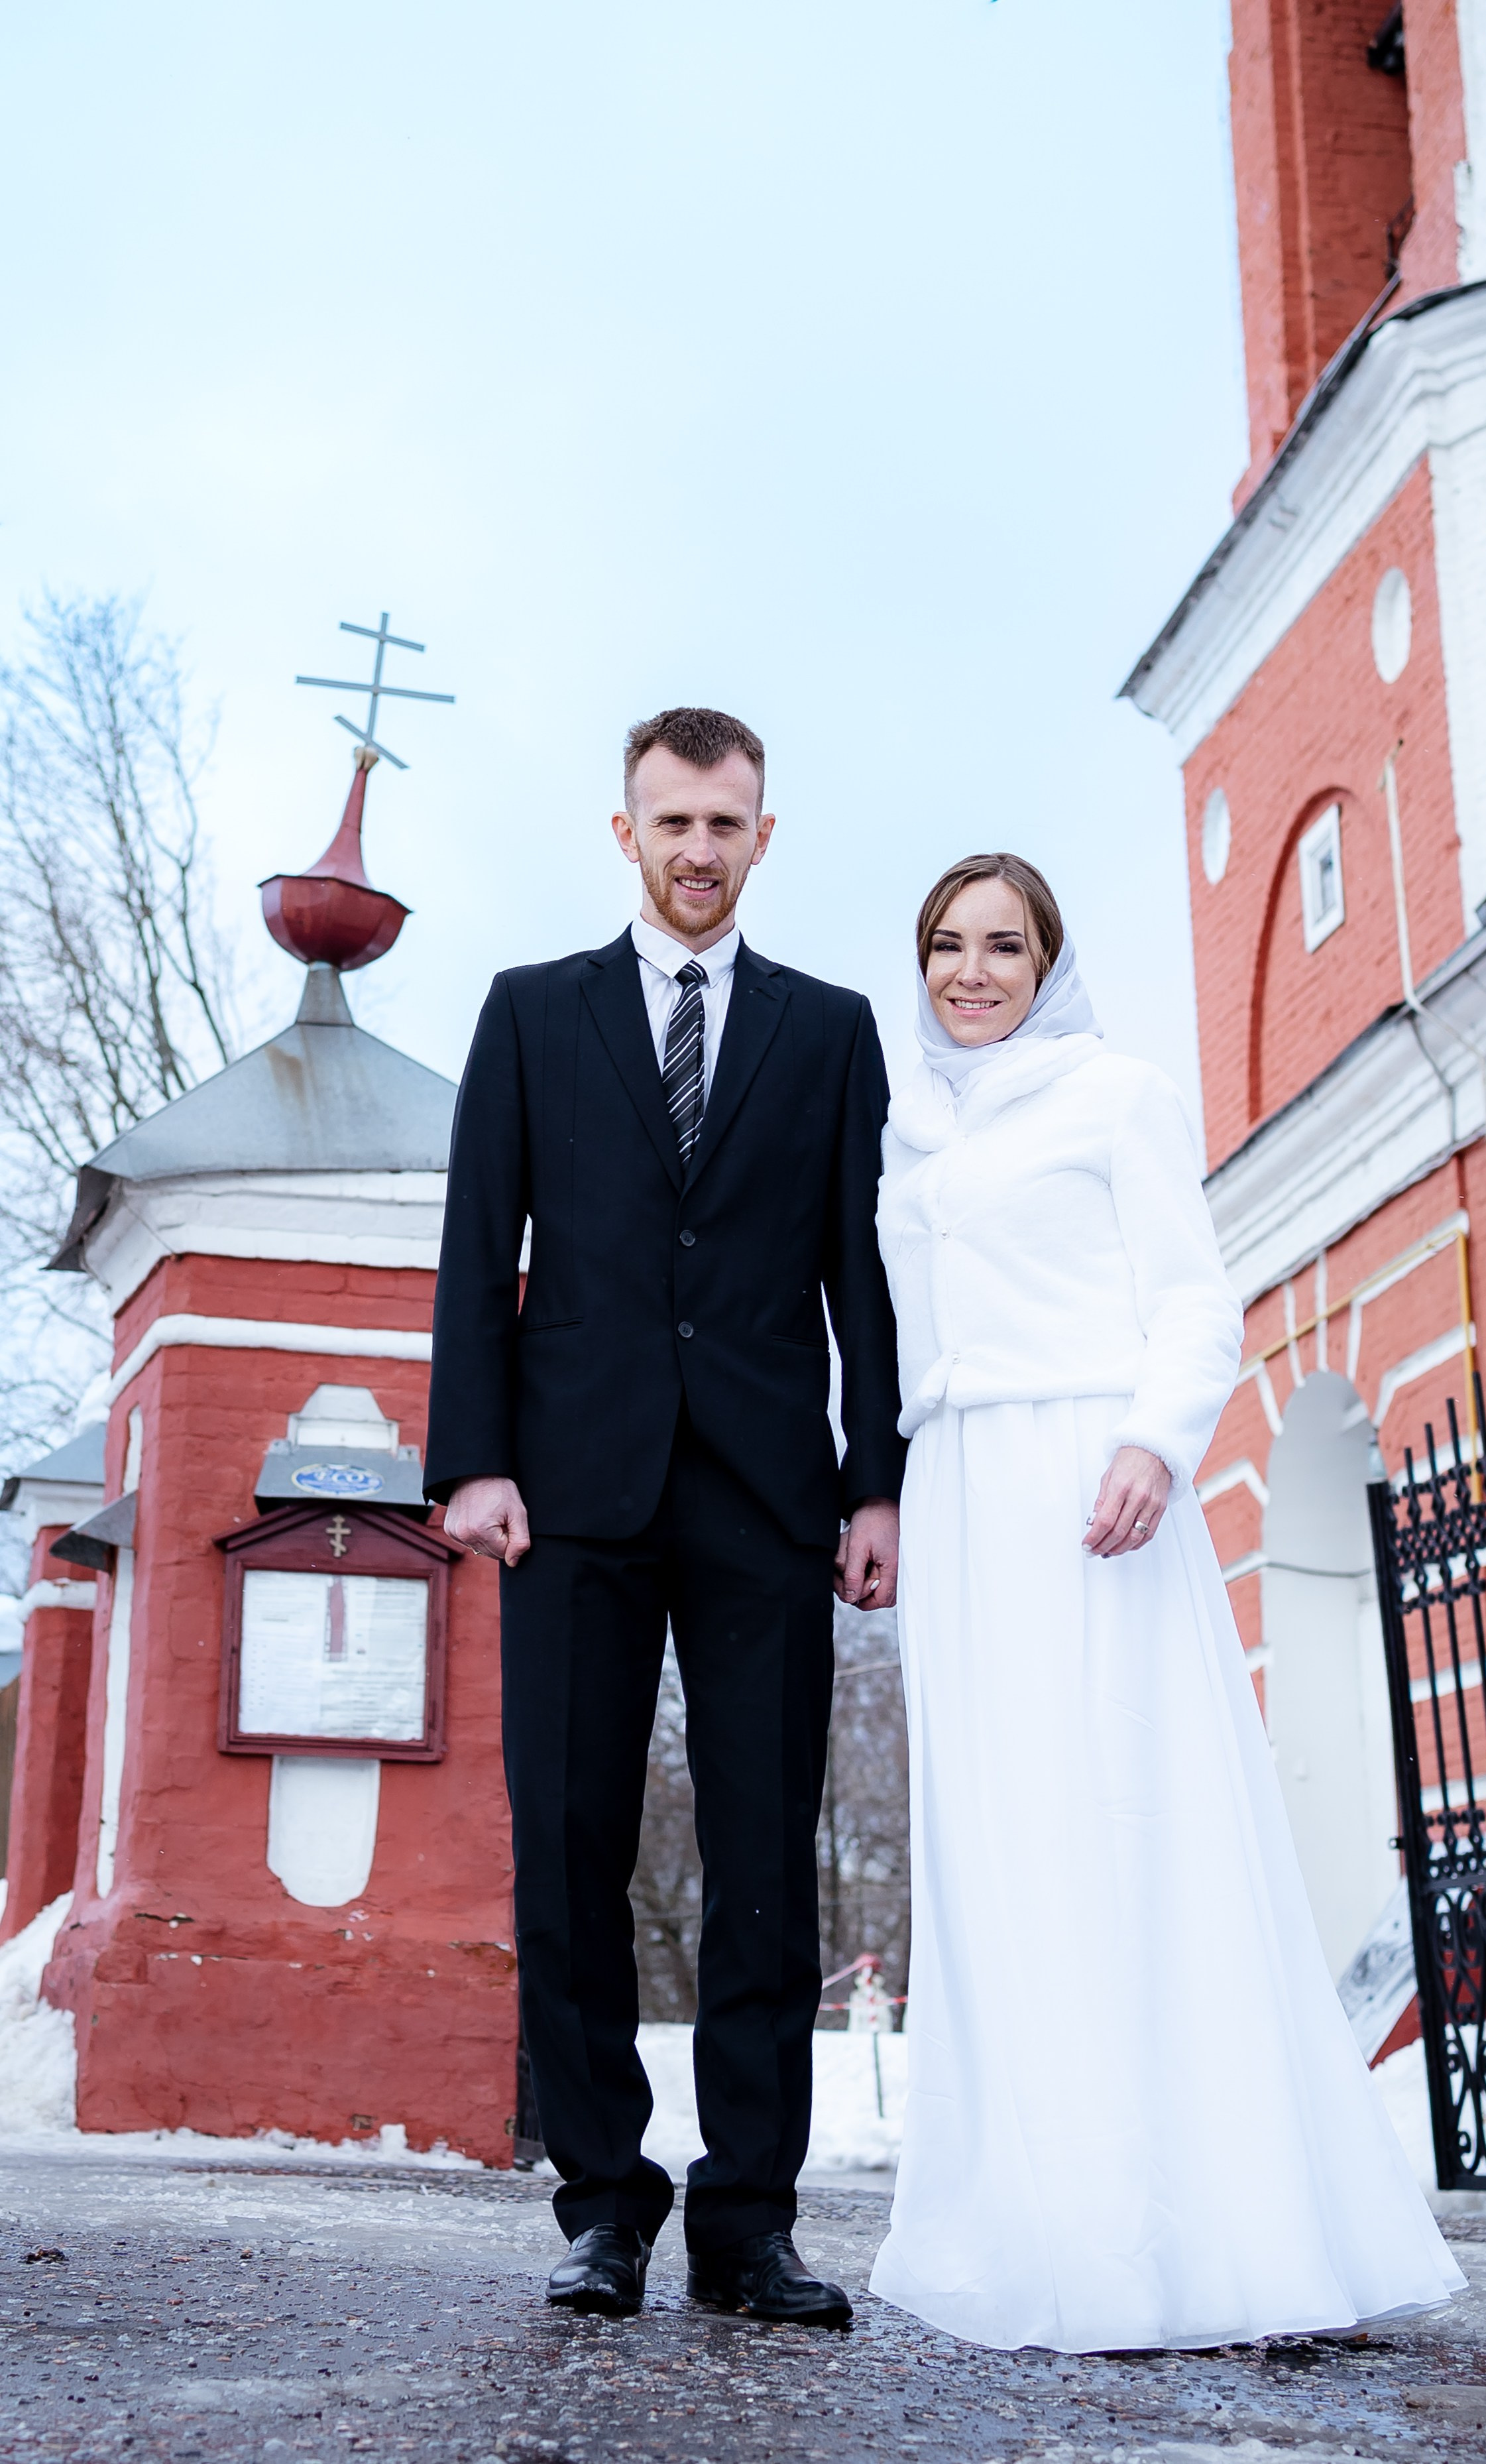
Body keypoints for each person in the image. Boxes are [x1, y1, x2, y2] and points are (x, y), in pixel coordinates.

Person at [868, 851, 1465, 2354]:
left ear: (1051, 958)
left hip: (1092, 1480)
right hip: (958, 1491)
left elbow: (1198, 1296)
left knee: (1126, 1821)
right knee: (999, 1846)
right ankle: (1029, 2212)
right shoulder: (906, 1128)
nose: (974, 971)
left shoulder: (1114, 1092)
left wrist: (1154, 1440)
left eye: (1005, 943)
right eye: (948, 944)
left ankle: (1204, 2224)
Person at [425, 707, 905, 2324]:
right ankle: (606, 2205)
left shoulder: (831, 1032)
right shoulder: (531, 1013)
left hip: (768, 1491)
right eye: (672, 821)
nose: (699, 849)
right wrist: (473, 1458)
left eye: (727, 822)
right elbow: (479, 1239)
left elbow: (863, 1274)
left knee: (769, 1852)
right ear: (622, 829)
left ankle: (748, 2217)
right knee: (569, 1844)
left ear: (765, 834)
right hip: (570, 1490)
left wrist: (873, 1477)